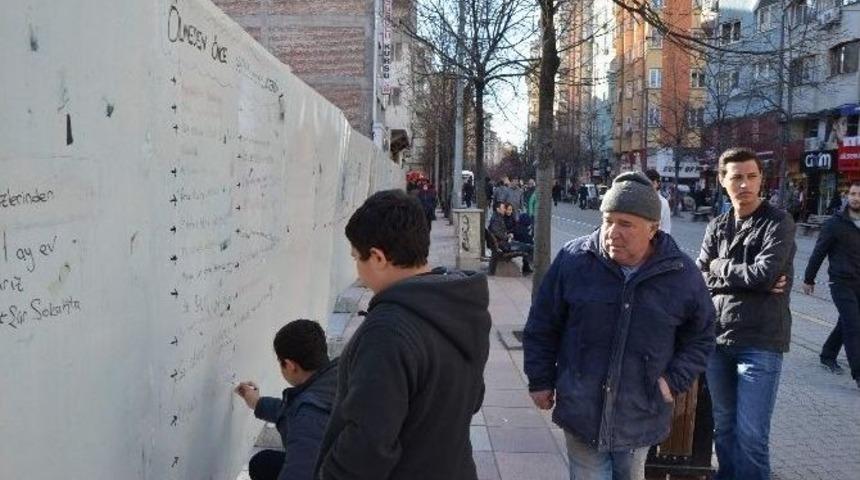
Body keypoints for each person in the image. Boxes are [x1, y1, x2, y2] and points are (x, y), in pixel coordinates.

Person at [524, 172, 715, 480]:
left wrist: (671, 381)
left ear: (653, 228)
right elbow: (543, 323)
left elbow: (702, 337)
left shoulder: (681, 274)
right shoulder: (574, 260)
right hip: (582, 409)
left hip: (640, 413)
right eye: (608, 220)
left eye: (625, 224)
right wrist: (540, 379)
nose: (612, 232)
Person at [315, 190, 491, 479]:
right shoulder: (462, 306)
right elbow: (473, 398)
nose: (358, 270)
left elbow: (367, 446)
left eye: (357, 258)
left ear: (378, 257)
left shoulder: (388, 331)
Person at [697, 147, 796, 480]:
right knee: (724, 426)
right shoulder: (717, 225)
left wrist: (719, 266)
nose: (745, 184)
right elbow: (700, 275)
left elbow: (764, 275)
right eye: (737, 177)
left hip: (760, 342)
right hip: (717, 339)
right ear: (722, 180)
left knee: (751, 433)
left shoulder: (778, 222)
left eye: (752, 176)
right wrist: (741, 276)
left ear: (761, 180)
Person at [235, 320, 338, 480]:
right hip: (357, 465)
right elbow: (295, 410)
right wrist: (258, 403)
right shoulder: (338, 373)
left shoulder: (308, 418)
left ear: (290, 365)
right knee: (263, 464)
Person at [803, 181, 860, 388]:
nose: (856, 198)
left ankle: (828, 354)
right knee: (854, 325)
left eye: (859, 195)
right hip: (841, 281)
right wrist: (809, 278)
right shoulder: (835, 224)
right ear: (847, 196)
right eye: (852, 193)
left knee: (847, 322)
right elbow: (819, 252)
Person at [488, 201, 533, 274]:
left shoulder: (497, 218)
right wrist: (507, 237)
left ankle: (528, 266)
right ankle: (533, 267)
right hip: (505, 246)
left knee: (527, 245)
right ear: (498, 209)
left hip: (502, 244)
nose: (504, 210)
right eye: (503, 208)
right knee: (529, 247)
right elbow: (498, 233)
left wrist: (508, 235)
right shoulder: (496, 220)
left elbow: (500, 232)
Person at [644, 169, 671, 234]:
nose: (650, 187)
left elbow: (666, 227)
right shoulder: (638, 199)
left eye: (653, 183)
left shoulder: (663, 202)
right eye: (647, 184)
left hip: (656, 237)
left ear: (658, 184)